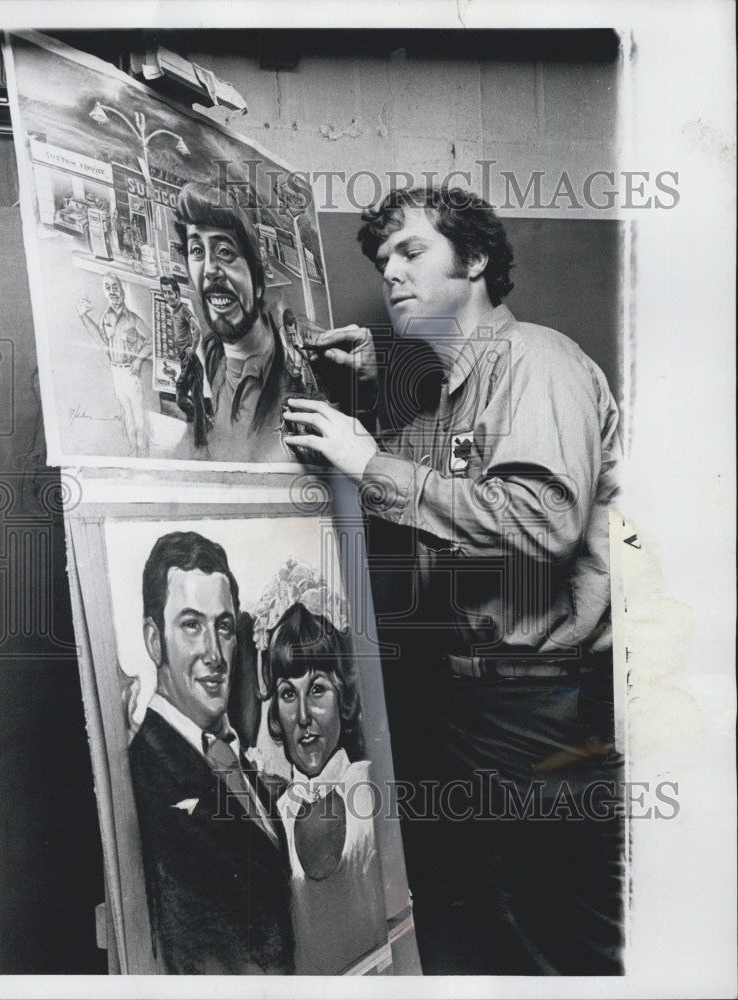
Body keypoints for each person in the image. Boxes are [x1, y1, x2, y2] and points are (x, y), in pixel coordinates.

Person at [283, 186, 623, 975]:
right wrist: (368, 394)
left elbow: (542, 524)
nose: (391, 274)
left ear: (473, 260)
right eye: (381, 260)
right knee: (507, 932)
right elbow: (437, 504)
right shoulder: (442, 402)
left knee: (572, 940)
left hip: (545, 706)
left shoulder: (535, 360)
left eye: (411, 252)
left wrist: (370, 460)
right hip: (482, 705)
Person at [128, 531, 294, 974]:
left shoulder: (230, 754)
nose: (214, 653)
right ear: (153, 639)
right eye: (190, 625)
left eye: (223, 626)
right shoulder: (146, 772)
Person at [265, 602, 387, 975]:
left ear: (343, 696)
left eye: (317, 689)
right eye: (288, 694)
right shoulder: (276, 819)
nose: (303, 716)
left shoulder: (373, 788)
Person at [172, 184, 321, 463]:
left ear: (258, 272)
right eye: (196, 251)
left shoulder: (301, 370)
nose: (210, 269)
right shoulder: (203, 363)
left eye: (225, 251)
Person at [76, 272, 152, 456]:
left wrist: (139, 359)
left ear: (122, 292)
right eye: (108, 288)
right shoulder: (105, 318)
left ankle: (143, 449)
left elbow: (151, 341)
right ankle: (132, 449)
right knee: (125, 410)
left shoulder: (133, 319)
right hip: (115, 371)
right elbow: (101, 339)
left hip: (130, 372)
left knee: (138, 411)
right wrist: (83, 317)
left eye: (115, 287)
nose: (112, 292)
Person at [158, 275, 213, 446]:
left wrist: (192, 348)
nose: (167, 296)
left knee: (190, 398)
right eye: (164, 293)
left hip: (191, 362)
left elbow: (197, 329)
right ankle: (203, 420)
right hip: (184, 361)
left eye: (170, 293)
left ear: (177, 293)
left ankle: (203, 431)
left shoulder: (183, 309)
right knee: (182, 398)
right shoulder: (173, 311)